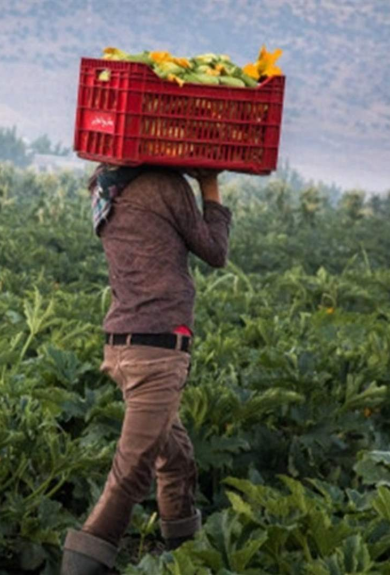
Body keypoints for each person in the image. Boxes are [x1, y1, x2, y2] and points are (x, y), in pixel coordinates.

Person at [60, 164, 232, 575]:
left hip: (124, 346)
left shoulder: (106, 186)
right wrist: (208, 184)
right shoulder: (165, 185)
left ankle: (186, 559)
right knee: (130, 474)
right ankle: (81, 565)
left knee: (176, 460)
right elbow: (216, 251)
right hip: (156, 352)